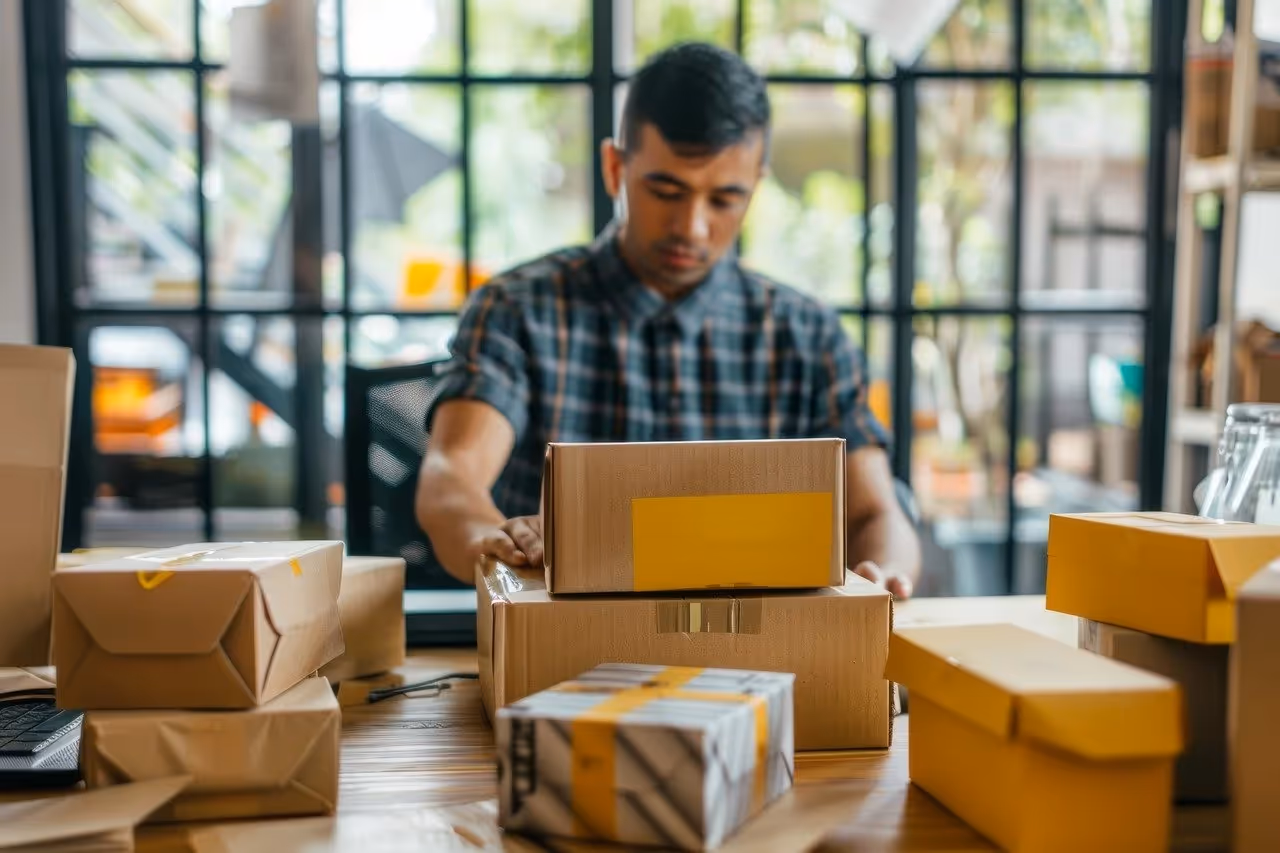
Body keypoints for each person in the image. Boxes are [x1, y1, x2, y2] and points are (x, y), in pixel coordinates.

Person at [416, 42, 921, 597]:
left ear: (756, 185)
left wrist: (882, 575)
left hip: (756, 648)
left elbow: (877, 512)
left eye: (725, 199)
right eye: (665, 190)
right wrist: (495, 543)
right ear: (615, 168)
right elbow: (450, 478)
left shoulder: (809, 337)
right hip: (555, 642)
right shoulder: (517, 310)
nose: (692, 227)